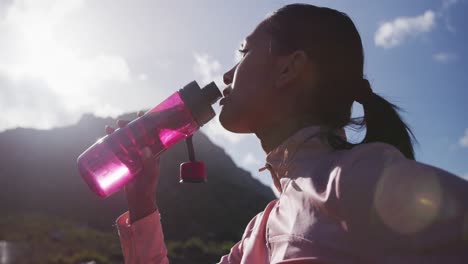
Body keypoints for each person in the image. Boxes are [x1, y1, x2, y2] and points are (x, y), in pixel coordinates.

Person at [106, 4, 468, 263]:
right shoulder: (259, 232)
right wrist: (141, 204)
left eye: (244, 52)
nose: (228, 74)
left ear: (289, 69)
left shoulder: (353, 179)